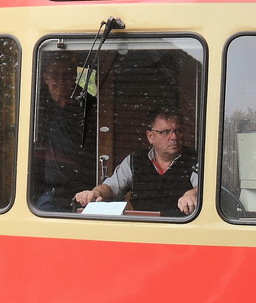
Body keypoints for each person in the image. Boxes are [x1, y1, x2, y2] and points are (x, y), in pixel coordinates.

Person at [75, 107, 199, 216]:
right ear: (150, 136)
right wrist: (95, 193)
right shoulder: (135, 160)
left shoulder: (195, 160)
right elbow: (111, 187)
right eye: (165, 132)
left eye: (178, 131)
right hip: (142, 229)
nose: (174, 137)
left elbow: (202, 188)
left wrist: (193, 194)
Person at [32, 53, 96, 211]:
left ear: (74, 77)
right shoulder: (34, 102)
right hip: (48, 189)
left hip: (84, 190)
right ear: (45, 78)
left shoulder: (89, 106)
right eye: (55, 75)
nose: (61, 80)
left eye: (67, 75)